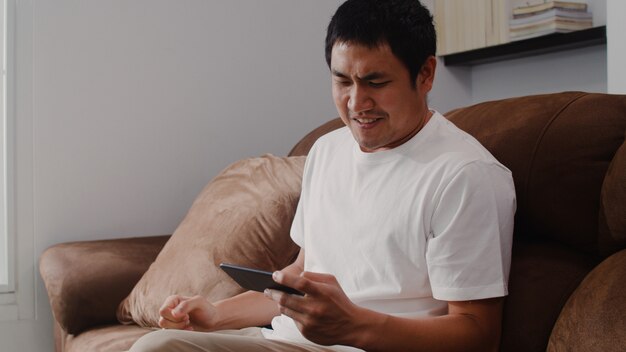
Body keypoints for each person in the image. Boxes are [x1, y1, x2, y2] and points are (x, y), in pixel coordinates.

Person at [129, 0, 516, 351]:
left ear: (426, 74)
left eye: (376, 82)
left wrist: (354, 327)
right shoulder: (328, 150)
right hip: (289, 341)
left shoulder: (465, 175)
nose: (356, 103)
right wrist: (216, 315)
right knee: (155, 346)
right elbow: (300, 277)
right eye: (342, 81)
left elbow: (477, 334)